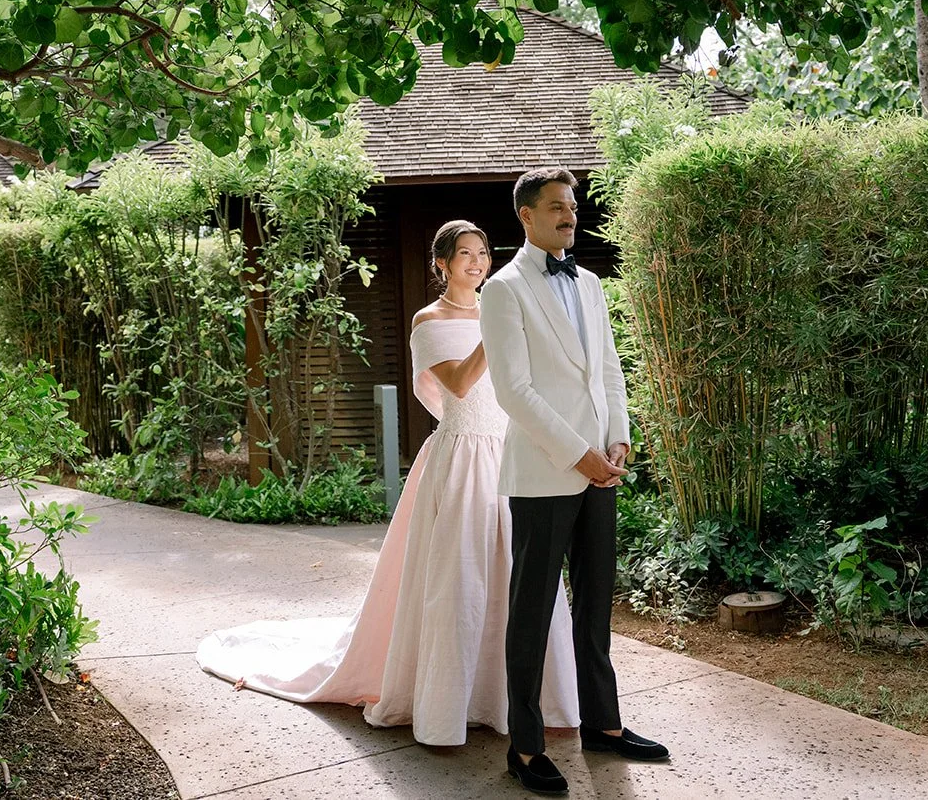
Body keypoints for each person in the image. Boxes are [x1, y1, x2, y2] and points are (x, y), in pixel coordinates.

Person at [195, 220, 580, 746]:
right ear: (441, 264)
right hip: (463, 459)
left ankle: (517, 701)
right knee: (460, 582)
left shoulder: (504, 306)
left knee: (520, 576)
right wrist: (498, 328)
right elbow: (461, 386)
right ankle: (450, 703)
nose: (478, 262)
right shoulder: (430, 321)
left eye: (483, 252)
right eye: (464, 254)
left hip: (513, 455)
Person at [480, 168, 671, 794]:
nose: (570, 215)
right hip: (544, 473)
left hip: (601, 470)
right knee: (531, 614)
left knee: (596, 604)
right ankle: (526, 748)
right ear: (526, 216)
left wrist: (617, 435)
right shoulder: (503, 289)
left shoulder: (588, 282)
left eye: (573, 205)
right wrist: (578, 455)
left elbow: (607, 367)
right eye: (557, 207)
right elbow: (514, 391)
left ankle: (604, 725)